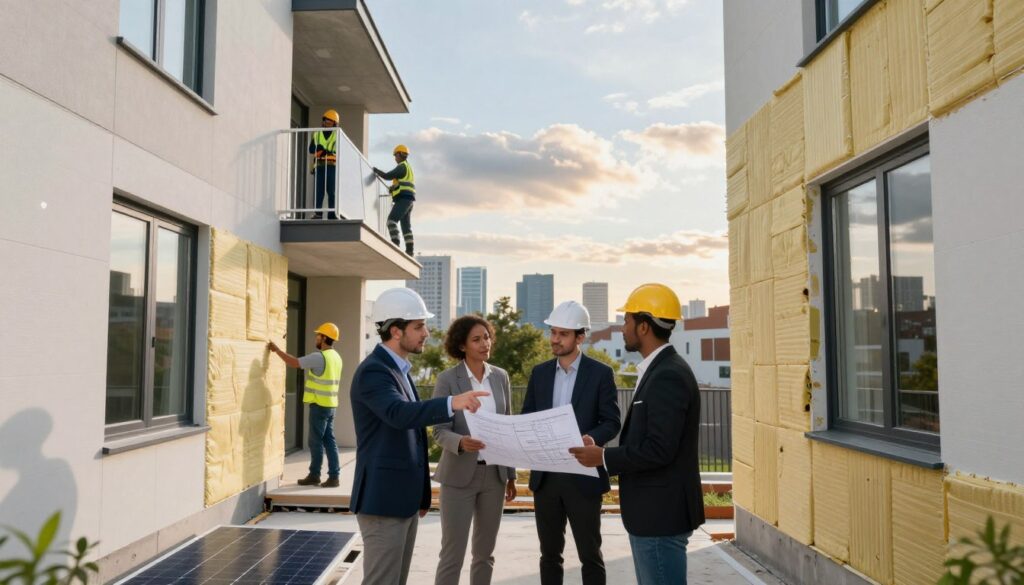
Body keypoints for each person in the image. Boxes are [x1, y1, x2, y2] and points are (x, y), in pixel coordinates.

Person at [350, 288, 490, 585]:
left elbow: (412, 436)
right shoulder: (374, 372)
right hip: (383, 501)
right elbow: (399, 414)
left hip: (402, 500)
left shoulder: (398, 370)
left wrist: (421, 495)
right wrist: (453, 402)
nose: (426, 332)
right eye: (419, 326)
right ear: (396, 331)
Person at [569, 284, 705, 585]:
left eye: (627, 321)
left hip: (660, 516)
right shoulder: (660, 369)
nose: (622, 329)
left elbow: (659, 449)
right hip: (655, 513)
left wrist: (602, 457)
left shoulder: (667, 375)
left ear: (643, 326)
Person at [521, 301, 621, 585]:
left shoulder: (601, 373)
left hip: (583, 476)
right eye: (553, 332)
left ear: (580, 337)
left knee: (590, 555)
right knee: (549, 555)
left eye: (562, 334)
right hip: (546, 477)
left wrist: (593, 438)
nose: (554, 339)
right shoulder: (539, 373)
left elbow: (611, 421)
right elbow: (528, 416)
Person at [431, 316, 518, 585]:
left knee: (485, 554)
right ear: (462, 346)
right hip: (458, 476)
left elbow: (508, 425)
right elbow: (439, 431)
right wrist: (460, 442)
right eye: (477, 339)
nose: (485, 343)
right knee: (452, 554)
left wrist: (511, 475)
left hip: (494, 477)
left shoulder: (500, 377)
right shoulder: (447, 379)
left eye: (487, 337)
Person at [268, 322, 343, 487]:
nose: (316, 337)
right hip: (330, 405)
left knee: (315, 441)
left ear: (324, 338)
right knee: (329, 440)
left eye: (318, 335)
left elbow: (295, 363)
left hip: (319, 406)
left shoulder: (319, 356)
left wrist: (277, 351)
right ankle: (334, 476)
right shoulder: (336, 356)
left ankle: (315, 475)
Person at [373, 144, 416, 255]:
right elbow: (401, 184)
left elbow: (388, 176)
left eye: (395, 155)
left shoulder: (402, 166)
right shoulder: (407, 167)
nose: (395, 158)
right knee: (406, 227)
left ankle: (395, 244)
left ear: (400, 154)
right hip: (408, 200)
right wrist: (394, 188)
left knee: (391, 221)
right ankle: (410, 251)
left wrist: (377, 171)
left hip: (404, 200)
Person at [309, 109, 340, 220]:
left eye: (330, 121)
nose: (327, 123)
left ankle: (332, 214)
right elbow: (311, 149)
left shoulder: (337, 134)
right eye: (326, 120)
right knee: (319, 191)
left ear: (334, 123)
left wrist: (326, 151)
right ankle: (318, 214)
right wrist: (319, 149)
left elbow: (340, 150)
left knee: (331, 191)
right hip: (320, 166)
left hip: (332, 165)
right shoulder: (317, 134)